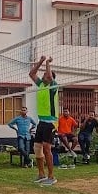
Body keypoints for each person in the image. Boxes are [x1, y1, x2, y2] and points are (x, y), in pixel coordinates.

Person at [29, 55, 59, 186]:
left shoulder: (53, 86)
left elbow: (50, 76)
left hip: (51, 122)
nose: (43, 76)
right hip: (42, 121)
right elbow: (31, 73)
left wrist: (47, 62)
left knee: (47, 148)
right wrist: (40, 61)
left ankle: (51, 176)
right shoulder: (41, 84)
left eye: (46, 75)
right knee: (37, 148)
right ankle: (41, 174)